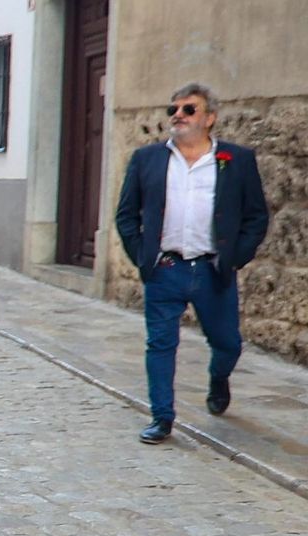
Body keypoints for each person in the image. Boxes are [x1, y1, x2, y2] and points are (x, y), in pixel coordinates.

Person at [114, 82, 269, 444]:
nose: (178, 116)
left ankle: (219, 378)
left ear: (210, 118)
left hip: (213, 270)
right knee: (160, 344)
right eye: (174, 110)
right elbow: (126, 215)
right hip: (166, 269)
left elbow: (256, 216)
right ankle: (162, 417)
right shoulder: (148, 159)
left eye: (189, 109)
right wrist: (143, 257)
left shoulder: (236, 160)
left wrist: (236, 257)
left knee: (227, 342)